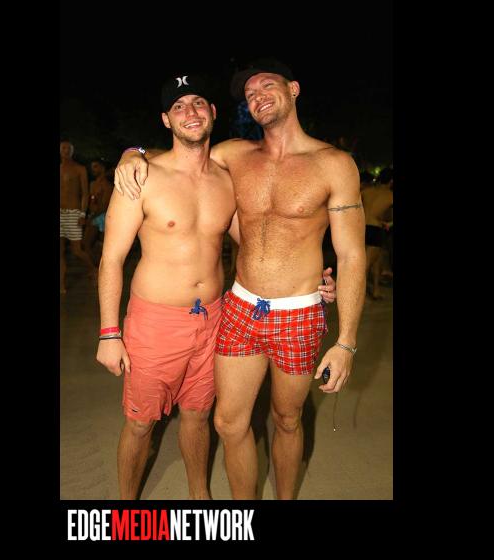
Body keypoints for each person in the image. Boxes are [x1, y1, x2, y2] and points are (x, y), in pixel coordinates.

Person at [115, 58, 365, 500]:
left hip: (300, 312)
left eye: (267, 86)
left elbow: (351, 254)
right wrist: (131, 152)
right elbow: (181, 153)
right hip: (241, 307)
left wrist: (345, 342)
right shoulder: (235, 155)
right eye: (250, 95)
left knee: (287, 419)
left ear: (294, 89)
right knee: (228, 423)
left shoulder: (334, 164)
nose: (258, 97)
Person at [60, 140, 98, 294]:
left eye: (68, 148)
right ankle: (61, 284)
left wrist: (83, 213)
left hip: (73, 212)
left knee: (76, 250)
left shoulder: (79, 169)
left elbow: (85, 193)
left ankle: (94, 269)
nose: (65, 150)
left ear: (72, 151)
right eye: (63, 148)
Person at [361, 167, 393, 300]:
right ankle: (357, 293)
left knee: (376, 261)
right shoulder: (390, 195)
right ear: (391, 181)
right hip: (375, 229)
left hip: (361, 228)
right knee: (366, 264)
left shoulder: (366, 191)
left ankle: (375, 290)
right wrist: (389, 223)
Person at [84, 158, 114, 266]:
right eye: (92, 167)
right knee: (91, 244)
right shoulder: (92, 184)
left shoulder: (107, 185)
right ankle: (97, 268)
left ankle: (96, 269)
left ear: (103, 168)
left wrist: (91, 218)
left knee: (87, 243)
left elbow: (104, 206)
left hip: (101, 217)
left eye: (96, 166)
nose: (93, 169)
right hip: (93, 216)